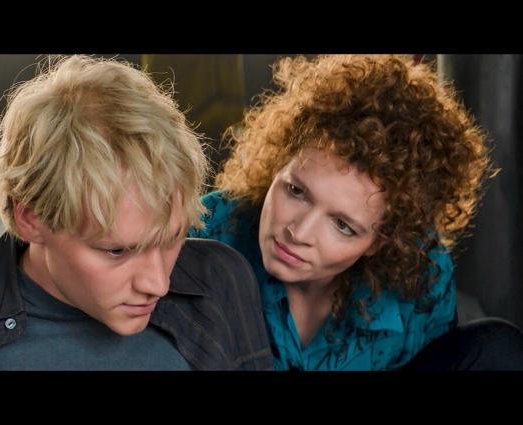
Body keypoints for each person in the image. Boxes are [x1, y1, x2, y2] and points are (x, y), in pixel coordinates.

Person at [0, 55, 273, 370]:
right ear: (30, 217)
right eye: (117, 250)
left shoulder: (220, 280)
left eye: (171, 239)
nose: (158, 283)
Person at [190, 54, 523, 370]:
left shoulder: (423, 277)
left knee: (496, 347)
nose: (298, 233)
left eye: (342, 225)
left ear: (382, 241)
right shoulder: (205, 228)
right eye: (296, 191)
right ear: (278, 164)